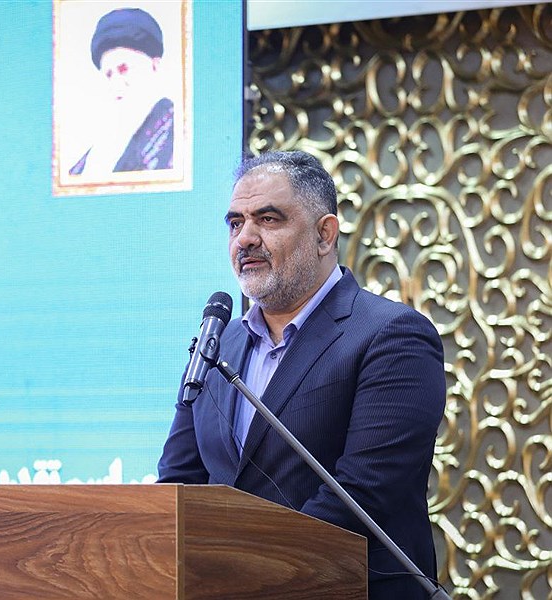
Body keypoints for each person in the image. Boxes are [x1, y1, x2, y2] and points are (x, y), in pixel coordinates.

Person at [157, 150, 446, 599]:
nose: (245, 239)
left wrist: (241, 574)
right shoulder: (218, 344)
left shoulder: (392, 336)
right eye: (235, 223)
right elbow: (179, 482)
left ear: (324, 234)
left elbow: (363, 495)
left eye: (268, 219)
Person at [69, 7, 174, 176]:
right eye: (109, 74)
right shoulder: (102, 146)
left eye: (124, 69)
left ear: (155, 65)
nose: (116, 83)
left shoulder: (175, 129)